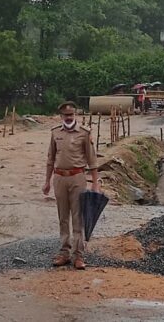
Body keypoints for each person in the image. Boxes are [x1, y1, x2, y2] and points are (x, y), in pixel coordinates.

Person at [43, 102, 100, 270]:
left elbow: (92, 160)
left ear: (75, 115)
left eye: (71, 115)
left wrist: (95, 183)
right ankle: (64, 253)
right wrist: (47, 182)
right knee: (63, 218)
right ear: (61, 116)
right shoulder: (55, 133)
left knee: (78, 217)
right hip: (59, 178)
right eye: (65, 115)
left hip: (77, 177)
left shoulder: (84, 133)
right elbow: (50, 159)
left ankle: (78, 255)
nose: (68, 118)